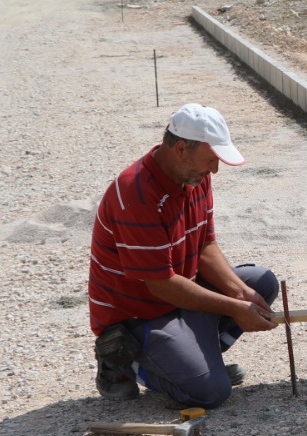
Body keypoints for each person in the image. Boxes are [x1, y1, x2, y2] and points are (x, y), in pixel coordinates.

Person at [88, 103, 279, 406]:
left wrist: (241, 293)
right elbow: (161, 284)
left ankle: (197, 364)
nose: (214, 169)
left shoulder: (195, 176)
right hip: (140, 315)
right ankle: (120, 359)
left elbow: (205, 246)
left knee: (261, 284)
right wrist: (234, 308)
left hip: (175, 296)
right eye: (211, 159)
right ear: (180, 149)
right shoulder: (136, 194)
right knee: (211, 393)